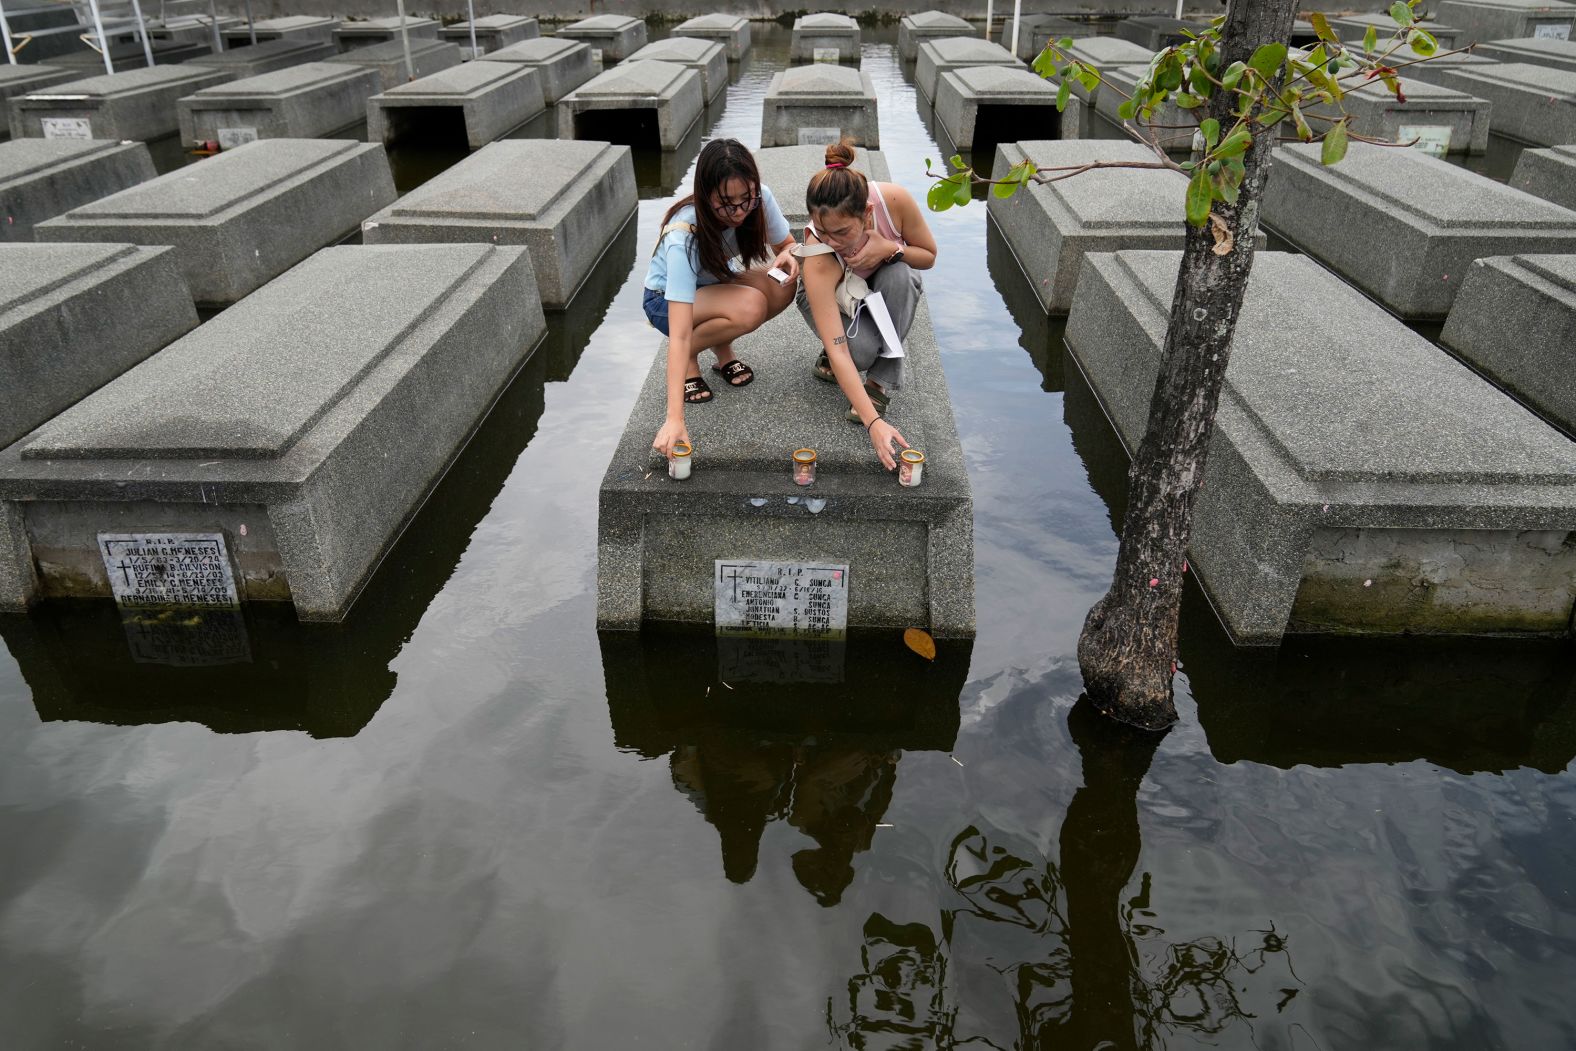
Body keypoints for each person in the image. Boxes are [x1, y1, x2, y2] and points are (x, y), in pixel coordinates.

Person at [646, 138, 800, 457]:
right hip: (665, 301)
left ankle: (722, 349)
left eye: (747, 198)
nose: (740, 211)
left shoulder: (759, 199)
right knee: (750, 307)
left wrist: (789, 255)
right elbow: (678, 333)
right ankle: (691, 361)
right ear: (705, 194)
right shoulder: (682, 236)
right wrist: (675, 419)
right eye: (727, 202)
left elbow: (788, 244)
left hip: (716, 282)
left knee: (782, 284)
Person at [796, 141, 938, 470]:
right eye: (822, 231)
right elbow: (842, 352)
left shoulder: (893, 201)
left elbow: (929, 256)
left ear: (868, 213)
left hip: (881, 285)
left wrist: (890, 249)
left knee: (902, 276)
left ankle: (879, 382)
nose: (831, 241)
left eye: (842, 232)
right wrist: (875, 425)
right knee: (855, 352)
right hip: (835, 298)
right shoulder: (819, 257)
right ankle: (833, 358)